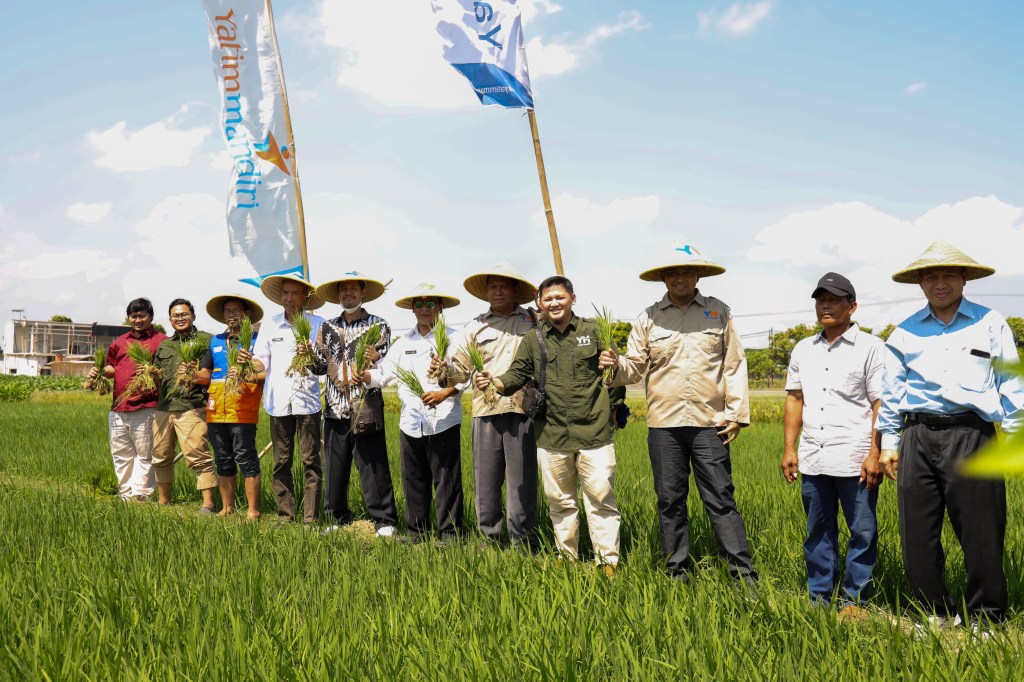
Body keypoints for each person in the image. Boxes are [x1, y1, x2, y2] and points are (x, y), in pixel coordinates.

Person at [877, 241, 1024, 629]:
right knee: (917, 535)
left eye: (948, 275)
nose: (940, 283)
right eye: (931, 276)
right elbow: (892, 392)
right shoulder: (904, 333)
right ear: (921, 283)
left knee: (982, 533)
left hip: (971, 434)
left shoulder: (990, 323)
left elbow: (1011, 382)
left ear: (963, 279)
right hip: (918, 435)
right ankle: (936, 613)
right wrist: (889, 444)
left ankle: (987, 618)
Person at [611, 240, 756, 585]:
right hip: (664, 426)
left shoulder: (719, 311)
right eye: (673, 272)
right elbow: (633, 368)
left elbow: (734, 364)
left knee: (721, 499)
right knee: (670, 501)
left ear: (698, 275)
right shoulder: (648, 318)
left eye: (687, 271)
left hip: (711, 423)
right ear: (663, 278)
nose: (681, 278)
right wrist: (612, 365)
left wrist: (736, 414)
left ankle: (743, 577)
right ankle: (677, 573)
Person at [476, 275, 622, 576]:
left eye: (560, 297)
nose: (554, 303)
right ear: (540, 303)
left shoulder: (595, 332)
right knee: (560, 501)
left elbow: (616, 376)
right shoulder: (535, 338)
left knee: (600, 500)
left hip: (594, 432)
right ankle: (566, 556)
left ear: (572, 299)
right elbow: (515, 375)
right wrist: (493, 382)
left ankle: (608, 561)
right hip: (552, 434)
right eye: (548, 299)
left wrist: (615, 368)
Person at [781, 273, 884, 611]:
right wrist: (789, 448)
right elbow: (795, 399)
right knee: (818, 533)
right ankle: (820, 598)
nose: (825, 304)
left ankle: (854, 600)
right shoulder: (802, 349)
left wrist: (875, 452)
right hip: (814, 457)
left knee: (862, 533)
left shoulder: (871, 347)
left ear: (852, 306)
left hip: (856, 458)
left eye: (834, 299)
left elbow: (879, 403)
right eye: (819, 299)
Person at [439, 264, 539, 548]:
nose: (497, 291)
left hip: (523, 410)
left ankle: (524, 541)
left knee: (522, 481)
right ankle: (490, 540)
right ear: (486, 292)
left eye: (504, 286)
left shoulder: (533, 321)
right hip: (486, 410)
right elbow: (458, 370)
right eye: (492, 286)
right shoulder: (475, 326)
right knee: (486, 479)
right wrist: (443, 369)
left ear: (514, 291)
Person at [362, 283, 465, 544]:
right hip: (411, 421)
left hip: (443, 419)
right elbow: (383, 375)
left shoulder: (455, 338)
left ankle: (450, 534)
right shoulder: (403, 343)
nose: (424, 310)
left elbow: (466, 375)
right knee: (413, 477)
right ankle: (416, 532)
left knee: (446, 480)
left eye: (430, 304)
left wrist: (444, 393)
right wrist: (364, 375)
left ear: (440, 308)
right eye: (419, 305)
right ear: (412, 309)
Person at [312, 273, 400, 537]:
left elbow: (381, 360)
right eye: (343, 289)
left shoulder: (378, 325)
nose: (347, 293)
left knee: (373, 464)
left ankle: (384, 520)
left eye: (353, 288)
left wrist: (371, 358)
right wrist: (307, 356)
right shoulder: (326, 328)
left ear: (363, 293)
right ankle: (335, 517)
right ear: (338, 295)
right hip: (335, 407)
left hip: (365, 406)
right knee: (335, 466)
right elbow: (318, 366)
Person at [249, 275, 326, 525]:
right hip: (278, 402)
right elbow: (261, 359)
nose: (289, 298)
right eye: (285, 293)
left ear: (304, 297)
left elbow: (324, 363)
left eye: (294, 293)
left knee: (311, 461)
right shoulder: (269, 326)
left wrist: (311, 353)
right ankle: (286, 515)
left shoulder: (318, 324)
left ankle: (311, 517)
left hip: (308, 403)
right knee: (281, 461)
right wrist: (248, 362)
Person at [89, 297, 167, 502]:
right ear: (128, 317)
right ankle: (126, 494)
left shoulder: (162, 341)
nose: (138, 320)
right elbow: (111, 368)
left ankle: (141, 495)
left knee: (144, 454)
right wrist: (97, 372)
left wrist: (152, 371)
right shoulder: (120, 342)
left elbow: (167, 372)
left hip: (145, 405)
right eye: (134, 316)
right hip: (117, 407)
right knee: (121, 454)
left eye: (142, 315)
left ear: (150, 316)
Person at [197, 294, 265, 520]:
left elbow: (265, 372)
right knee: (223, 460)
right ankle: (227, 508)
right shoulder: (215, 341)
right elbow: (205, 374)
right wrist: (189, 374)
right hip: (216, 411)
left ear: (247, 314)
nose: (232, 314)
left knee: (246, 459)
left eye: (237, 310)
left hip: (243, 409)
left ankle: (253, 511)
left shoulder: (256, 340)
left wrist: (246, 370)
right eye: (228, 311)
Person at [152, 298, 216, 513]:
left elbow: (211, 375)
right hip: (164, 407)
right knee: (160, 455)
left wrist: (193, 374)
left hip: (192, 406)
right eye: (175, 315)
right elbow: (157, 377)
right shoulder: (165, 345)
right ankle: (163, 501)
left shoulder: (207, 340)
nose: (179, 318)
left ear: (193, 316)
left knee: (198, 454)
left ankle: (208, 504)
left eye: (184, 314)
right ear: (170, 319)